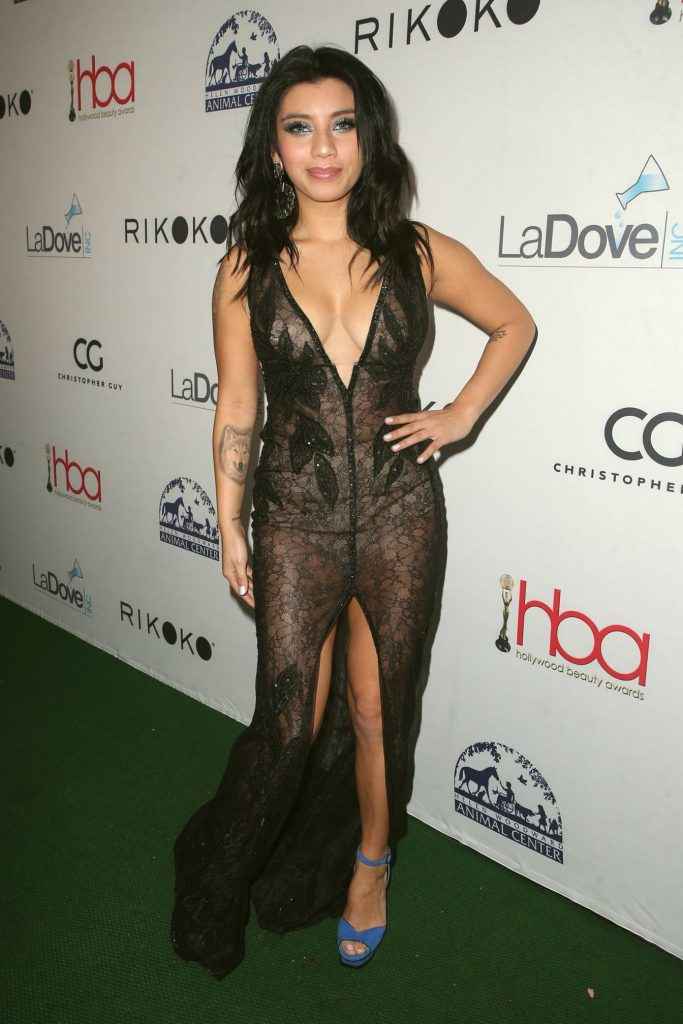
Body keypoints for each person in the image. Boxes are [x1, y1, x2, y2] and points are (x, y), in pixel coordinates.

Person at [170, 43, 536, 979]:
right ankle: (229, 873)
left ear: (368, 138)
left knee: (378, 711)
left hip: (401, 515)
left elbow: (513, 323)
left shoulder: (417, 251)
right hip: (294, 520)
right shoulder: (246, 265)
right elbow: (238, 403)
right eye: (300, 128)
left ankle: (370, 862)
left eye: (341, 125)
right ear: (273, 148)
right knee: (288, 722)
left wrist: (458, 415)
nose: (323, 148)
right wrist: (228, 522)